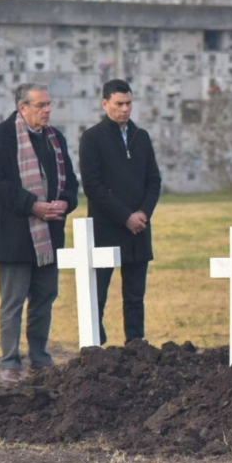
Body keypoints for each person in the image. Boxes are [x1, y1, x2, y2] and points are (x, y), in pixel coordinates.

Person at [0, 83, 78, 384]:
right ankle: (10, 363)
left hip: (49, 236)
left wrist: (66, 201)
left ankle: (40, 360)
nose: (47, 110)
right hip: (14, 236)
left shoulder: (55, 139)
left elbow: (72, 184)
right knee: (12, 303)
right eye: (40, 105)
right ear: (22, 108)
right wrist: (32, 205)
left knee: (45, 298)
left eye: (49, 104)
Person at [80, 79, 162, 345]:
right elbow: (93, 186)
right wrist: (125, 216)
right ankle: (95, 347)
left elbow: (153, 181)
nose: (125, 109)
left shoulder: (142, 137)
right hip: (106, 228)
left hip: (138, 229)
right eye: (119, 104)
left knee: (135, 296)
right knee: (98, 294)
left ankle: (136, 347)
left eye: (128, 103)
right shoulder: (92, 138)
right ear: (105, 104)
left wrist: (142, 215)